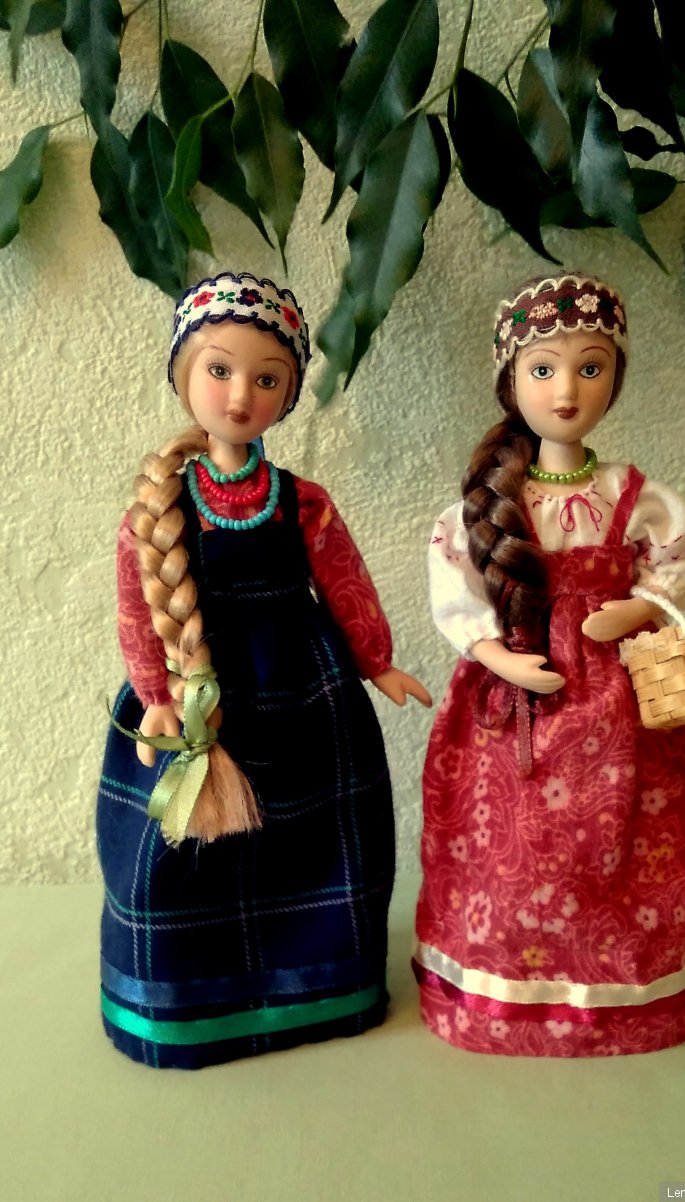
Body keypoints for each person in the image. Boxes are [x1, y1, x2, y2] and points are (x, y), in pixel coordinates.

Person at [97, 271, 430, 1069]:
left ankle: (324, 987)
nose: (241, 395)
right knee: (180, 858)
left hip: (306, 698)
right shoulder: (161, 506)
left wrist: (376, 660)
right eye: (220, 370)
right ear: (185, 374)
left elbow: (344, 580)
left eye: (267, 379)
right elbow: (138, 605)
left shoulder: (299, 499)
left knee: (323, 843)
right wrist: (154, 695)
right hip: (197, 700)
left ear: (287, 395)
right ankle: (182, 1005)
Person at [414, 272, 685, 1057]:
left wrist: (641, 607)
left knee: (627, 839)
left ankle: (626, 993)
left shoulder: (632, 494)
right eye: (543, 369)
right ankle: (501, 989)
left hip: (621, 705)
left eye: (591, 367)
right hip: (514, 704)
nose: (567, 390)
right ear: (512, 381)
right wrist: (497, 657)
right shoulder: (490, 504)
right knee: (506, 851)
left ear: (616, 378)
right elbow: (454, 587)